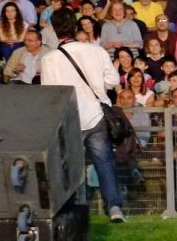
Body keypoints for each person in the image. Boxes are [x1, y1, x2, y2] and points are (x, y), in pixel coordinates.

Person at [39, 29, 127, 222]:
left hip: (69, 119)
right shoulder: (96, 51)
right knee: (104, 164)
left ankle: (71, 210)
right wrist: (99, 89)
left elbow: (49, 94)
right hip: (96, 115)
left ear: (55, 31)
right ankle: (114, 208)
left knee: (69, 167)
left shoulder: (49, 59)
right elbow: (113, 80)